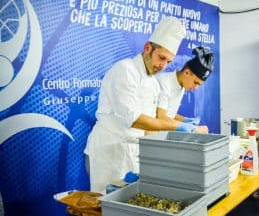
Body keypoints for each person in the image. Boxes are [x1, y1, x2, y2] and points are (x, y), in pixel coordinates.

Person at [84, 17, 204, 192]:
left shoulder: (154, 82)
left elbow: (149, 127)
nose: (162, 65)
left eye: (168, 62)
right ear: (147, 48)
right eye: (161, 58)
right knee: (105, 206)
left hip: (130, 153)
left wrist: (156, 157)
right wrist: (179, 126)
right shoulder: (125, 70)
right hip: (108, 151)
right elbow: (134, 119)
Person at [156, 46, 214, 134]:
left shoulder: (182, 84)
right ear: (186, 73)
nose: (196, 87)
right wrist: (190, 128)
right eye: (195, 82)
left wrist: (186, 120)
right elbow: (161, 116)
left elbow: (169, 113)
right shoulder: (165, 82)